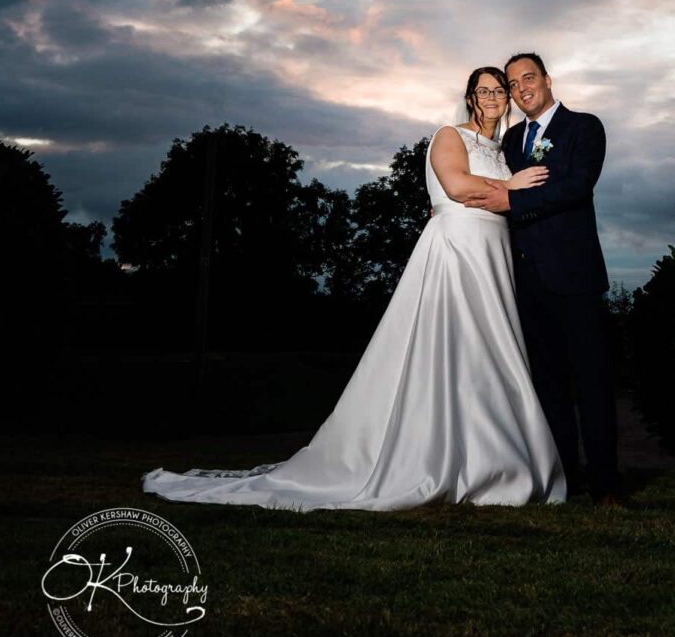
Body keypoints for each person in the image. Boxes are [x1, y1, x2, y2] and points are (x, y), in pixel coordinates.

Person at [141, 67, 566, 511]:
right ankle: (440, 460)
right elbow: (457, 186)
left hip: (494, 254)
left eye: (500, 89)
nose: (493, 96)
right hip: (457, 252)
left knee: (489, 355)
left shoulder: (503, 148)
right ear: (470, 97)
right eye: (484, 90)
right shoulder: (449, 135)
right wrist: (509, 186)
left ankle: (494, 460)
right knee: (453, 350)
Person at [463, 53, 622, 504]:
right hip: (525, 280)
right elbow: (490, 185)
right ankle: (564, 481)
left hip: (574, 276)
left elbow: (576, 186)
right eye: (512, 84)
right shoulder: (510, 140)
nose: (520, 88)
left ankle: (607, 485)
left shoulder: (584, 127)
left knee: (591, 382)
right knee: (548, 386)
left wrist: (512, 202)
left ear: (548, 80)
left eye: (527, 78)